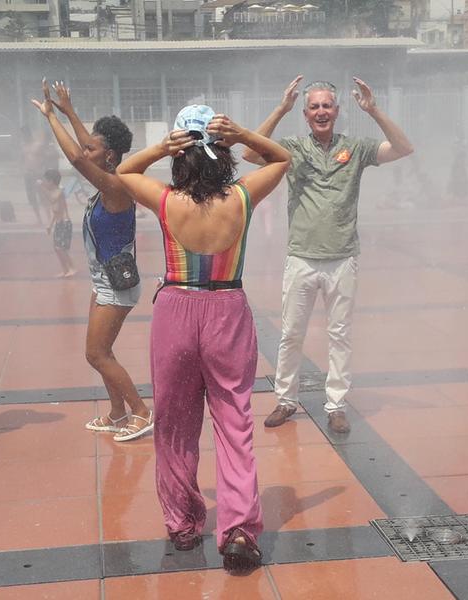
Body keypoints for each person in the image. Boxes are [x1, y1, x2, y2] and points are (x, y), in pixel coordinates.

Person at [112, 105, 289, 572]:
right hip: (228, 309)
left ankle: (184, 525)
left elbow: (123, 169)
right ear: (224, 154)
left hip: (176, 309)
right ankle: (239, 532)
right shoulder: (242, 196)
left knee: (174, 425)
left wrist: (157, 147)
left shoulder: (167, 200)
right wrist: (242, 132)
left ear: (181, 157)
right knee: (234, 422)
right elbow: (281, 159)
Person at [248, 76, 414, 434]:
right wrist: (281, 109)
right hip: (301, 259)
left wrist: (374, 111)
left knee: (339, 334)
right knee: (292, 333)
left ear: (337, 111)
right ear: (305, 114)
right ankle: (285, 400)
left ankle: (336, 404)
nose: (321, 112)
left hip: (342, 258)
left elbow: (403, 148)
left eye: (327, 106)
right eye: (314, 107)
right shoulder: (291, 148)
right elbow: (249, 153)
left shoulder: (355, 149)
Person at [31, 80, 153, 442]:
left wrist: (52, 118)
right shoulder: (107, 180)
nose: (86, 150)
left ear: (110, 156)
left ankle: (141, 412)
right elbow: (89, 146)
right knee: (103, 351)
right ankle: (117, 412)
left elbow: (76, 156)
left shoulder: (116, 187)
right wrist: (70, 111)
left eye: (94, 148)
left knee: (96, 354)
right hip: (104, 280)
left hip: (117, 285)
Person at [39, 168, 76, 278]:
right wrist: (50, 225)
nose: (44, 183)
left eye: (45, 181)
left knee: (61, 248)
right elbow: (56, 212)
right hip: (59, 223)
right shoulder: (53, 191)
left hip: (65, 223)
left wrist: (41, 187)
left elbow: (52, 198)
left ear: (51, 181)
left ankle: (72, 268)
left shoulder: (60, 190)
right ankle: (65, 270)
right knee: (57, 248)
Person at [22, 126, 56, 225]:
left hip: (38, 174)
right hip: (28, 174)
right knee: (32, 197)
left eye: (26, 135)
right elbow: (22, 159)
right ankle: (38, 218)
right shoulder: (23, 146)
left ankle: (49, 217)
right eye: (23, 135)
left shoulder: (38, 145)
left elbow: (46, 156)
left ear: (29, 135)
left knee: (42, 196)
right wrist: (22, 169)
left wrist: (42, 169)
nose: (24, 137)